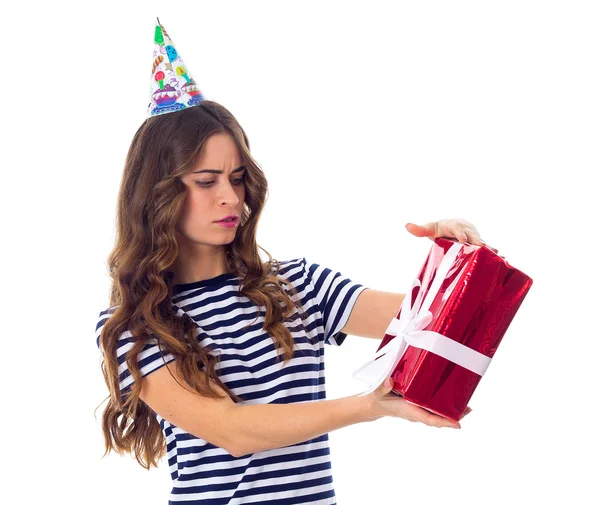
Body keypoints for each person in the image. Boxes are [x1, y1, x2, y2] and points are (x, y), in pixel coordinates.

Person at [95, 20, 487, 505]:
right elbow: (232, 431)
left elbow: (444, 324)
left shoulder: (297, 285)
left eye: (237, 178)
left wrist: (458, 260)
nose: (229, 198)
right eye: (206, 181)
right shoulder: (137, 326)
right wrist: (367, 407)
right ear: (156, 195)